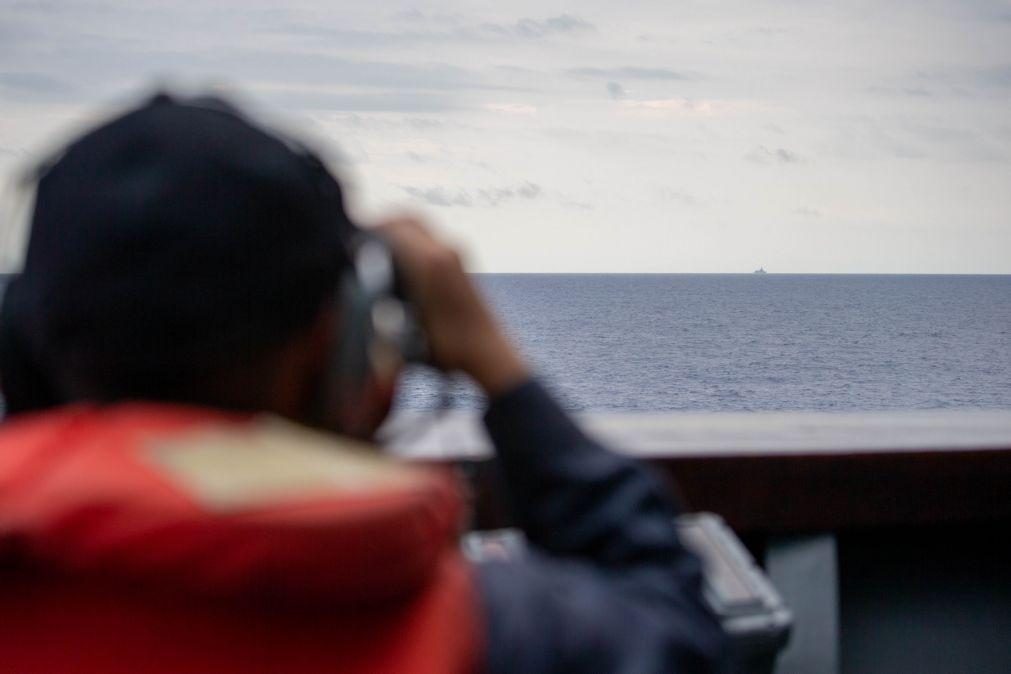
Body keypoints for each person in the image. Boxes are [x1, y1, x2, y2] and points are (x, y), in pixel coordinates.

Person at [0, 93, 727, 673]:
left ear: (23, 345)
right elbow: (675, 627)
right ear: (338, 342)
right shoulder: (490, 632)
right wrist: (495, 364)